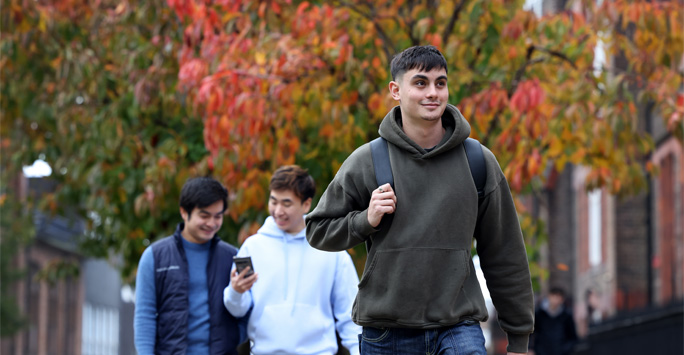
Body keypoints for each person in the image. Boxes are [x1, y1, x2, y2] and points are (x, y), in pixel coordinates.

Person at [306, 45, 535, 355]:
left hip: (458, 328)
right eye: (420, 83)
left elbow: (505, 254)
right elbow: (318, 230)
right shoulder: (368, 161)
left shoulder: (478, 162)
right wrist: (366, 220)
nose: (433, 93)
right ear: (396, 90)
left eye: (440, 83)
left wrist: (519, 338)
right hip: (386, 334)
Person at [224, 165, 361, 355]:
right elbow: (237, 311)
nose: (278, 210)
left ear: (306, 204)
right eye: (273, 201)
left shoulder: (330, 249)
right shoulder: (252, 247)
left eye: (286, 204)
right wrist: (235, 292)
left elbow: (350, 313)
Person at [134, 177, 244, 354]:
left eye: (218, 216)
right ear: (184, 212)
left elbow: (247, 308)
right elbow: (145, 315)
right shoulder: (155, 256)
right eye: (204, 215)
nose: (212, 223)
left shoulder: (235, 257)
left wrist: (231, 340)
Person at [531, 287, 578, 355]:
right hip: (541, 352)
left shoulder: (566, 315)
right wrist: (531, 349)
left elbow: (573, 337)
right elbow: (531, 332)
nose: (556, 299)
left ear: (562, 299)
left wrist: (565, 349)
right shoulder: (539, 313)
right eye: (554, 296)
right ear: (549, 296)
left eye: (558, 297)